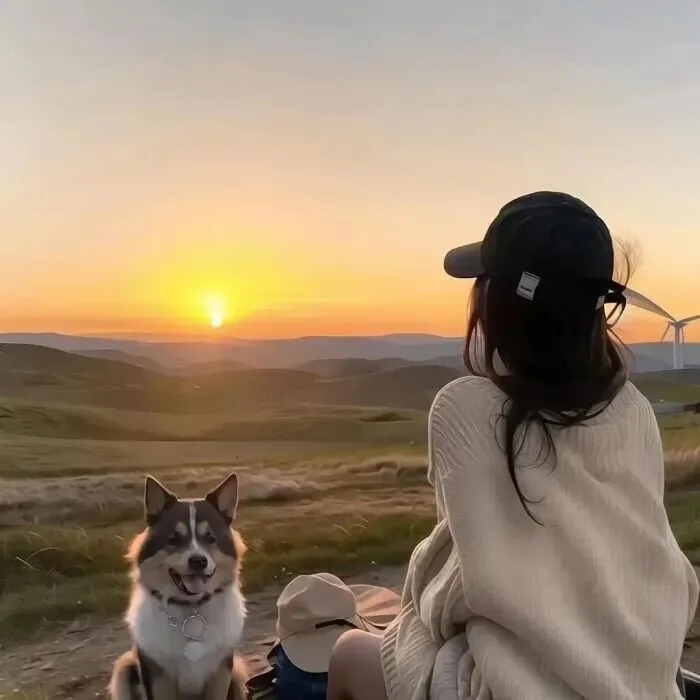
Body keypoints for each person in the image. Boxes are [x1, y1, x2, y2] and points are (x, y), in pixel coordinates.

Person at [326, 191, 699, 700]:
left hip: (505, 688)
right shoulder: (635, 410)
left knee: (349, 651)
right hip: (640, 678)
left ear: (500, 303)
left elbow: (463, 575)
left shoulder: (464, 409)